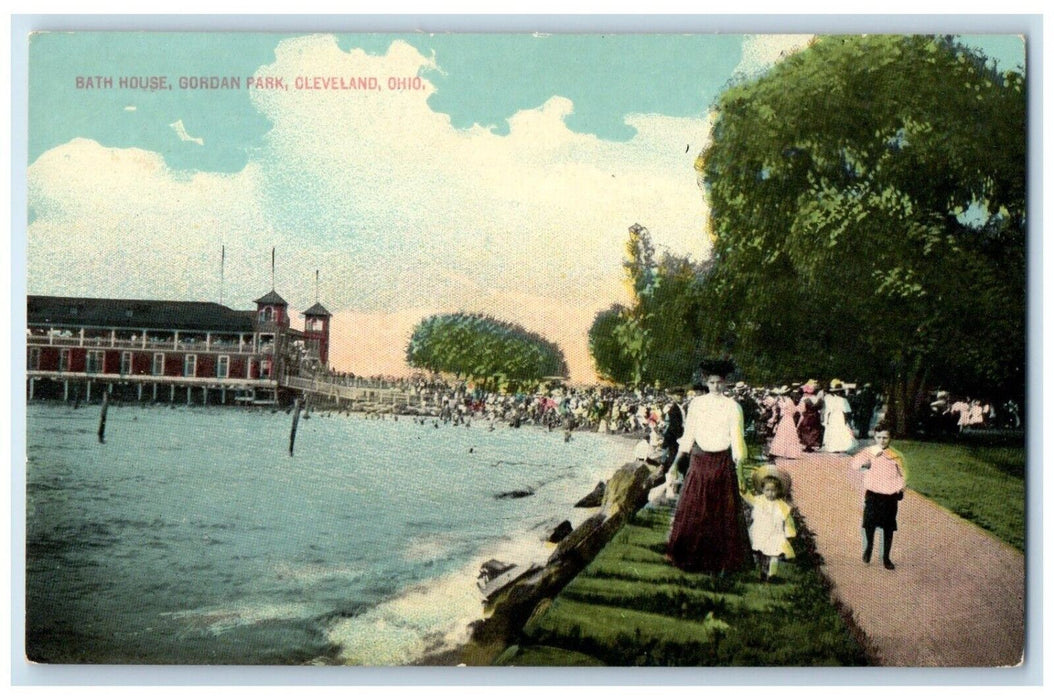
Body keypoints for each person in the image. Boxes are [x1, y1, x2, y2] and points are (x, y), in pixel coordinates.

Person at [665, 359, 752, 574]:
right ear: (706, 382)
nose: (716, 386)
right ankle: (691, 558)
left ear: (726, 383)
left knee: (721, 512)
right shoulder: (697, 404)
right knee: (695, 508)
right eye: (712, 382)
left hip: (722, 462)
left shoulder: (733, 407)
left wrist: (740, 473)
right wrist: (675, 465)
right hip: (700, 461)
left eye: (720, 382)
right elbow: (688, 438)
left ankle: (719, 562)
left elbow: (737, 441)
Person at [848, 424, 907, 570]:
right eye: (879, 437)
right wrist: (866, 463)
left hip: (889, 496)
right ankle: (869, 547)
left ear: (890, 438)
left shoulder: (896, 455)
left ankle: (886, 557)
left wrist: (900, 488)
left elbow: (904, 474)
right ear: (875, 437)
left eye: (885, 437)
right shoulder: (870, 451)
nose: (882, 440)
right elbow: (855, 464)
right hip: (873, 494)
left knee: (888, 527)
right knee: (869, 523)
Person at [741, 465, 797, 582]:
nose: (770, 493)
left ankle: (772, 575)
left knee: (774, 554)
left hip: (775, 534)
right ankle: (761, 572)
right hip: (760, 532)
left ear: (778, 491)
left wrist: (789, 533)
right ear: (762, 490)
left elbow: (787, 520)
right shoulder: (759, 500)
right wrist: (743, 488)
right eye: (767, 490)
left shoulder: (782, 505)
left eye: (773, 491)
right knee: (760, 553)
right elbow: (747, 497)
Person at [822, 380, 857, 453]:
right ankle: (842, 447)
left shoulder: (830, 399)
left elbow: (828, 411)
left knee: (834, 432)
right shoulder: (843, 400)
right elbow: (846, 412)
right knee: (841, 431)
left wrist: (827, 420)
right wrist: (846, 421)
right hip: (840, 416)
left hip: (833, 417)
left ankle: (834, 447)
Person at [768, 386, 803, 459]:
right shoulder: (787, 400)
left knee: (787, 435)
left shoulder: (788, 401)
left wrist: (780, 403)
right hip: (786, 419)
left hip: (787, 418)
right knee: (783, 435)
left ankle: (789, 453)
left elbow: (791, 410)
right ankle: (779, 452)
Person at [796, 380, 824, 452]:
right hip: (815, 416)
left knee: (806, 430)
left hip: (807, 416)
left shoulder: (804, 399)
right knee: (814, 430)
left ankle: (807, 445)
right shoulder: (817, 398)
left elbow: (801, 410)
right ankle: (811, 445)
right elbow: (820, 408)